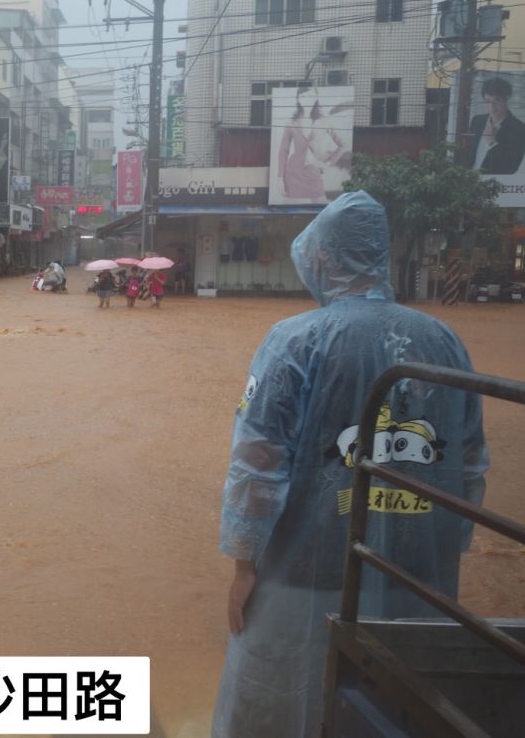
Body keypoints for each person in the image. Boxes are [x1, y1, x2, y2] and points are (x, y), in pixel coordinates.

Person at [211, 190, 490, 738]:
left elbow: (257, 463)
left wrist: (244, 566)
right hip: (419, 572)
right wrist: (446, 542)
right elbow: (470, 459)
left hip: (305, 570)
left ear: (322, 259)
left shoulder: (293, 341)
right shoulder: (445, 341)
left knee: (285, 699)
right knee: (397, 705)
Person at [467, 76, 525, 174]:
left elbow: (511, 167)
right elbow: (468, 154)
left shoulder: (519, 129)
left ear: (506, 99)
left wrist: (492, 143)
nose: (491, 106)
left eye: (497, 100)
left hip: (496, 186)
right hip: (470, 182)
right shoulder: (477, 121)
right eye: (487, 101)